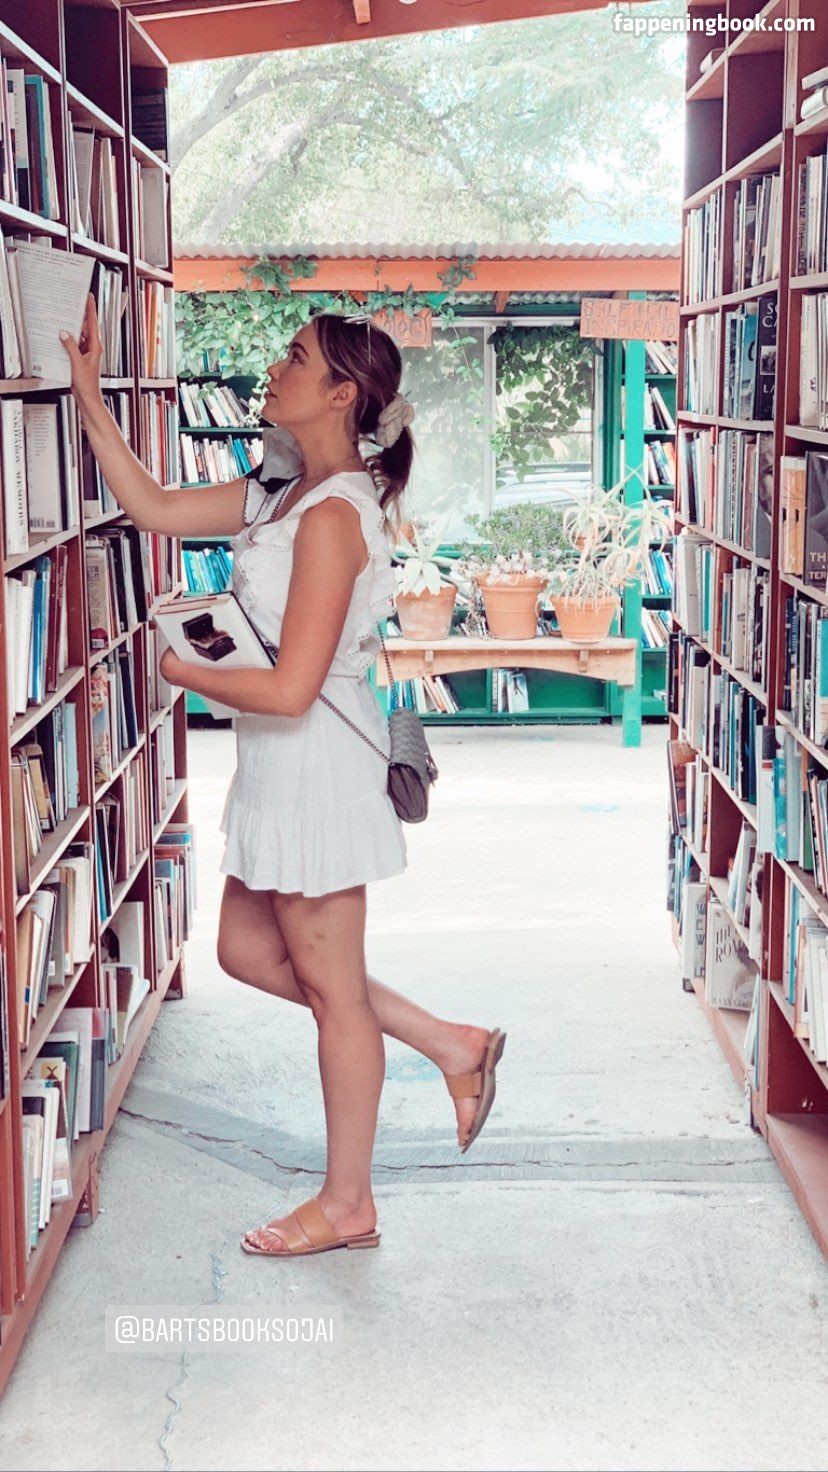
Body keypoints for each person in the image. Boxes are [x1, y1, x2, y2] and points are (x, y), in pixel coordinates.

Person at [61, 300, 506, 1258]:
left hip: (315, 773)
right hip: (276, 764)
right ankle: (451, 1042)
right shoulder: (281, 492)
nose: (276, 369)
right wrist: (88, 395)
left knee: (333, 995)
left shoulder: (333, 517)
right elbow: (156, 508)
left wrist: (179, 669)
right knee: (248, 953)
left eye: (295, 358)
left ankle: (349, 1203)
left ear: (341, 395)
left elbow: (294, 686)